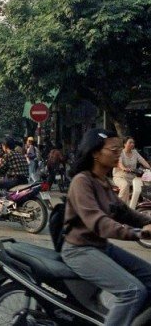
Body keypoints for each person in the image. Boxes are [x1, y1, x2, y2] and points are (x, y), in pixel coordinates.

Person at [61, 128, 151, 326]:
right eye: (113, 149)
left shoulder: (103, 181)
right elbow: (99, 223)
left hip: (100, 247)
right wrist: (140, 233)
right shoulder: (81, 182)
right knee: (132, 291)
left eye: (120, 149)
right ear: (95, 153)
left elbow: (124, 213)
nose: (119, 153)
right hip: (79, 250)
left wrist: (146, 222)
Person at [0, 137, 29, 216]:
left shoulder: (8, 155)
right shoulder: (20, 154)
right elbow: (5, 168)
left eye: (2, 146)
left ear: (5, 146)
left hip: (14, 180)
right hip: (24, 180)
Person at [113, 137, 151, 209]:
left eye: (133, 142)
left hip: (132, 177)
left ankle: (140, 205)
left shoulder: (135, 152)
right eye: (130, 142)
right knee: (125, 185)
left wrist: (149, 168)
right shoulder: (121, 152)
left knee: (145, 186)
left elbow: (142, 160)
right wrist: (124, 168)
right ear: (124, 144)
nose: (132, 144)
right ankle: (120, 208)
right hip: (120, 176)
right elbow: (119, 163)